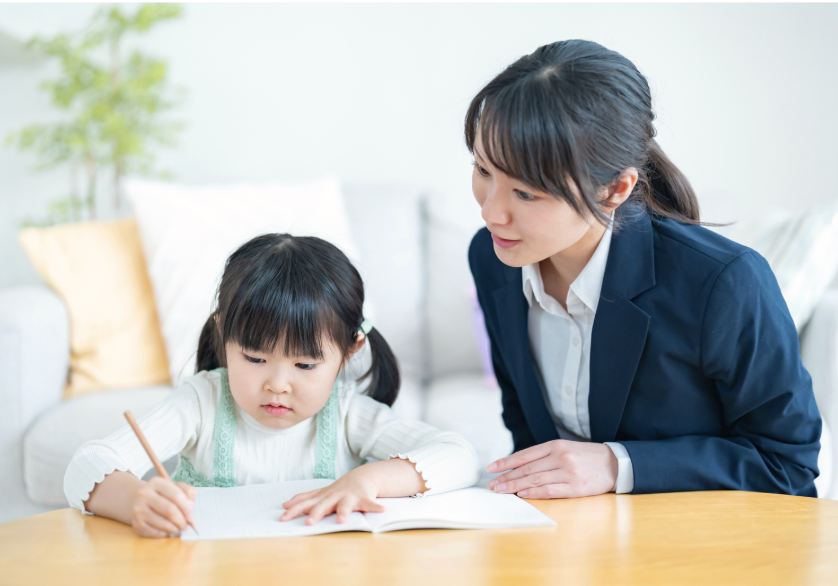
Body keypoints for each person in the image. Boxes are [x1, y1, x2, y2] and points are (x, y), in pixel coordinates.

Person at [466, 40, 822, 499]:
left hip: (695, 542)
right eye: (483, 170)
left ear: (615, 188)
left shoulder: (725, 282)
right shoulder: (493, 258)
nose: (491, 212)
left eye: (526, 193)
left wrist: (619, 466)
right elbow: (523, 418)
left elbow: (787, 464)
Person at [64, 234, 480, 537]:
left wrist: (367, 481)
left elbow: (458, 455)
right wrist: (135, 499)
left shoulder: (348, 412)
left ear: (349, 352)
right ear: (223, 334)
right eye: (255, 358)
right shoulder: (203, 402)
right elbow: (86, 465)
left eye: (304, 364)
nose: (278, 384)